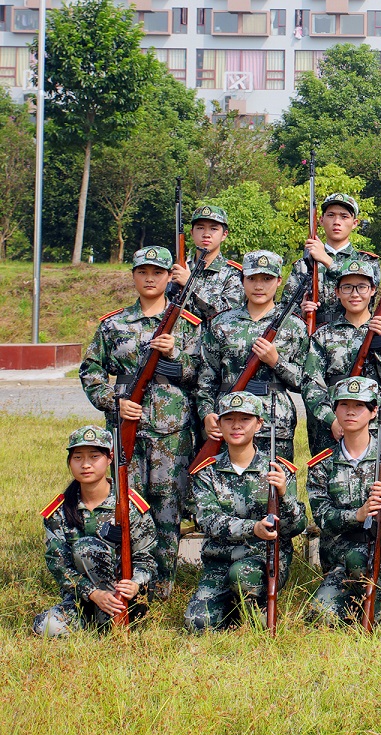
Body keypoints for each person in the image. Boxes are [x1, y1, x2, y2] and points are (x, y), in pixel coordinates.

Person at [78, 245, 201, 595]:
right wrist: (114, 403)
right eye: (143, 272)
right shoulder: (113, 324)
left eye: (157, 273)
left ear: (168, 277)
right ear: (133, 276)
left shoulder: (187, 324)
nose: (150, 278)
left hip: (171, 434)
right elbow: (90, 371)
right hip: (125, 429)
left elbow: (200, 373)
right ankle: (125, 582)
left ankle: (161, 587)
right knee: (125, 504)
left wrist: (174, 354)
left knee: (167, 509)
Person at [185, 391, 305, 632]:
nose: (236, 426)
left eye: (245, 419)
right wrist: (254, 528)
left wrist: (284, 495)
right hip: (220, 561)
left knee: (244, 578)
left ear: (259, 424)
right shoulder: (206, 472)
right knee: (197, 624)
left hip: (264, 560)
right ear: (219, 425)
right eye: (229, 419)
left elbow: (296, 526)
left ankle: (253, 606)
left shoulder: (278, 470)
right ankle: (231, 606)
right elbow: (209, 520)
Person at [305, 378, 381, 627]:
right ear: (335, 410)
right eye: (344, 405)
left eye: (359, 405)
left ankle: (379, 612)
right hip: (339, 557)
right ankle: (356, 599)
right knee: (321, 617)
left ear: (374, 411)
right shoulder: (322, 465)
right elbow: (322, 517)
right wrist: (356, 515)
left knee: (362, 562)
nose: (351, 411)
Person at [34, 425, 156, 636]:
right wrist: (93, 594)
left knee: (86, 548)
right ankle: (95, 622)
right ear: (70, 462)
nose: (85, 464)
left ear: (109, 459)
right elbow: (58, 565)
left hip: (125, 600)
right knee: (46, 626)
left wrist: (135, 584)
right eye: (78, 457)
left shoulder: (130, 506)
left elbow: (147, 558)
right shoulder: (60, 511)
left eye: (94, 456)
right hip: (83, 598)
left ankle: (111, 621)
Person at [194, 250, 312, 461]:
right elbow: (206, 377)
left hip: (274, 423)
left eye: (267, 279)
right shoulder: (221, 323)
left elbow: (306, 381)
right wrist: (207, 414)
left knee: (275, 480)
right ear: (242, 280)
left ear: (279, 281)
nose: (259, 286)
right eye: (252, 279)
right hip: (229, 420)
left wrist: (276, 362)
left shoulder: (294, 325)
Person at [301, 258, 381, 455]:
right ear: (337, 292)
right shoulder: (323, 334)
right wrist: (331, 419)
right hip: (335, 426)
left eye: (361, 287)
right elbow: (311, 384)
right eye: (347, 287)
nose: (354, 294)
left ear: (373, 290)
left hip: (379, 424)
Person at [290, 191, 377, 328]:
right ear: (321, 220)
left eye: (344, 216)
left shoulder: (367, 261)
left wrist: (326, 260)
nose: (337, 222)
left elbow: (369, 300)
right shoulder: (303, 265)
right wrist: (302, 312)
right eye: (331, 215)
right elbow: (286, 308)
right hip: (313, 332)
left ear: (354, 223)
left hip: (355, 333)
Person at [171, 203, 245, 323]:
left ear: (224, 235)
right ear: (192, 232)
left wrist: (190, 284)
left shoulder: (234, 273)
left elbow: (229, 316)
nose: (206, 234)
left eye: (213, 229)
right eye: (200, 228)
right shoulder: (180, 270)